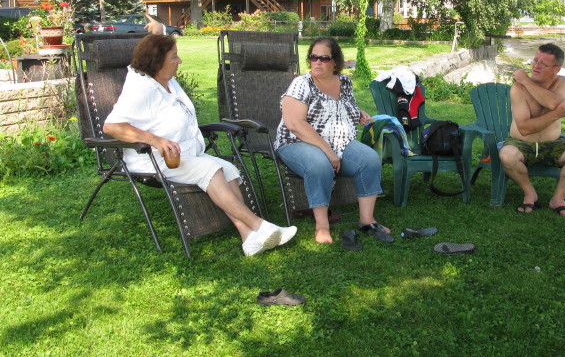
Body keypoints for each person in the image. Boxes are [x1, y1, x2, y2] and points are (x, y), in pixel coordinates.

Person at [103, 34, 297, 256]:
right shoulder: (142, 88)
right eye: (174, 57)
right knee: (210, 170)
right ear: (157, 61)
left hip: (185, 155)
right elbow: (111, 126)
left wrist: (158, 29)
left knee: (229, 170)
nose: (180, 61)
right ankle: (261, 226)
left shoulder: (167, 82)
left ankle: (248, 237)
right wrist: (155, 140)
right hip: (153, 158)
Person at [275, 37, 391, 245]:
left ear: (335, 62)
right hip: (297, 142)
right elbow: (295, 124)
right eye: (313, 57)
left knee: (369, 159)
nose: (317, 62)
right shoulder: (302, 84)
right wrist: (328, 152)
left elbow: (342, 108)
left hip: (340, 142)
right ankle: (322, 225)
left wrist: (358, 113)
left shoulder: (344, 82)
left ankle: (367, 220)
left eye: (324, 58)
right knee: (319, 165)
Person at [500, 43, 565, 217]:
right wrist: (557, 114)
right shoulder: (518, 88)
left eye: (543, 64)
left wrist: (525, 80)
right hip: (521, 143)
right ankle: (529, 193)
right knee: (506, 155)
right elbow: (524, 129)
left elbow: (555, 103)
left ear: (556, 69)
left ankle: (558, 198)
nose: (536, 66)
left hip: (553, 143)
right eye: (535, 60)